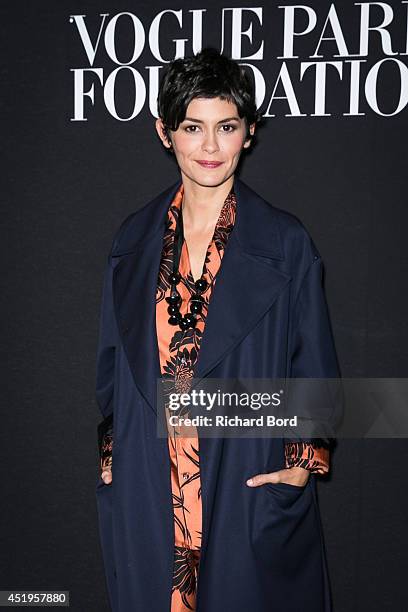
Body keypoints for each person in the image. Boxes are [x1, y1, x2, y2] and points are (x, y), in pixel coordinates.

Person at [95, 47, 342, 612]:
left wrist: (301, 465)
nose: (209, 147)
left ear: (249, 133)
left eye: (226, 127)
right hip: (149, 485)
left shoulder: (286, 242)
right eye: (192, 127)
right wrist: (115, 466)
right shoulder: (131, 240)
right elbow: (110, 370)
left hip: (242, 483)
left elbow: (315, 366)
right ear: (165, 132)